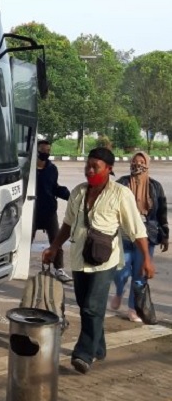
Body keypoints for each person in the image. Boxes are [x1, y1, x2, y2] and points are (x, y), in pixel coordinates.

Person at [42, 147, 154, 375]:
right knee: (86, 307)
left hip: (105, 260)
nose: (89, 170)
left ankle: (83, 354)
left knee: (93, 306)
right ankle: (99, 347)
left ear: (109, 169)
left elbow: (137, 230)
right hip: (79, 259)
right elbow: (67, 224)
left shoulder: (121, 194)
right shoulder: (78, 192)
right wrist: (54, 247)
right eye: (87, 165)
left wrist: (146, 261)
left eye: (95, 166)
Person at [111, 151, 169, 321]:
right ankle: (119, 290)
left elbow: (162, 212)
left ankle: (133, 309)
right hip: (125, 233)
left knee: (140, 274)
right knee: (120, 270)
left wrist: (164, 235)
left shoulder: (155, 186)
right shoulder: (122, 183)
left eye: (141, 162)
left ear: (147, 165)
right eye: (135, 162)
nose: (138, 165)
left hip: (147, 233)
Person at [32, 140, 72, 283]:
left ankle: (59, 269)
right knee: (24, 240)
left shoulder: (52, 169)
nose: (46, 153)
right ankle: (19, 265)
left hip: (49, 211)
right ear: (36, 151)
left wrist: (68, 195)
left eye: (48, 150)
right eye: (43, 150)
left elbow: (54, 187)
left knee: (57, 239)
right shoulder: (28, 169)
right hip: (32, 211)